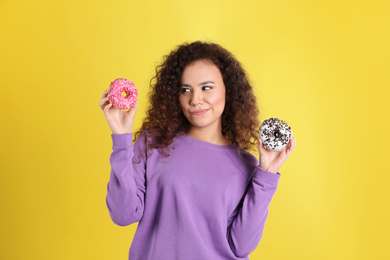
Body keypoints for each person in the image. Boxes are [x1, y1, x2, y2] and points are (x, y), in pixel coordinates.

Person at [99, 41, 297, 260]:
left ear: (227, 90)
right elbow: (122, 214)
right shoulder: (153, 144)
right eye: (186, 90)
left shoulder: (247, 166)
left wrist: (266, 175)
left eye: (206, 88)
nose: (195, 100)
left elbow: (241, 246)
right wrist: (121, 138)